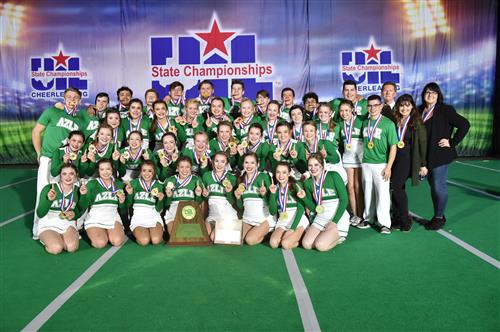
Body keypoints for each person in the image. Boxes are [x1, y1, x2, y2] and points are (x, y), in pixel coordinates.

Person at [418, 82, 470, 230]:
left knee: (438, 186)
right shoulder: (419, 110)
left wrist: (452, 142)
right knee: (432, 186)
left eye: (434, 93)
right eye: (428, 92)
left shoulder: (445, 110)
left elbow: (464, 124)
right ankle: (438, 214)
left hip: (440, 154)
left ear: (438, 95)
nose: (430, 95)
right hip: (425, 155)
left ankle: (439, 218)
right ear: (423, 94)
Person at [32, 87, 82, 239]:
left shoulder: (79, 119)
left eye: (75, 97)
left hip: (65, 161)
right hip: (48, 158)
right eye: (69, 97)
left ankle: (66, 225)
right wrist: (39, 153)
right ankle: (38, 229)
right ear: (64, 98)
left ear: (79, 101)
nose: (72, 100)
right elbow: (36, 131)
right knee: (43, 192)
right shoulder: (52, 112)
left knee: (66, 191)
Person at [357, 95, 398, 234]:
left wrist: (389, 167)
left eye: (375, 105)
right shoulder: (365, 123)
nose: (372, 108)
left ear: (381, 106)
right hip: (366, 163)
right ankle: (368, 218)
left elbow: (393, 146)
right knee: (368, 192)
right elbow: (363, 144)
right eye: (369, 105)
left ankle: (384, 224)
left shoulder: (388, 124)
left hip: (381, 164)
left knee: (382, 195)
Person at [391, 94, 427, 231]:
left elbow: (423, 143)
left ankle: (406, 220)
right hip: (395, 157)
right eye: (402, 105)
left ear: (412, 106)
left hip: (407, 158)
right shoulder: (396, 120)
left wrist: (423, 164)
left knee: (397, 187)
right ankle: (397, 218)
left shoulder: (416, 122)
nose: (404, 108)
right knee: (396, 188)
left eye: (407, 105)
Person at [301, 154, 349, 251]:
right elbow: (313, 207)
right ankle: (326, 235)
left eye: (316, 165)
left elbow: (344, 200)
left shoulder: (334, 175)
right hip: (321, 216)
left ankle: (339, 237)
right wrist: (304, 198)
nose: (313, 168)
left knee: (320, 246)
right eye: (310, 165)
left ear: (322, 165)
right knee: (306, 244)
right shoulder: (308, 183)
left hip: (336, 217)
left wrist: (334, 222)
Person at [35, 164, 84, 254]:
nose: (68, 177)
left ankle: (60, 237)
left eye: (71, 174)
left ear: (76, 175)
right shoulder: (49, 188)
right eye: (64, 174)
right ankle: (50, 238)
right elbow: (40, 213)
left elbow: (80, 209)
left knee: (71, 248)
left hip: (67, 223)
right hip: (48, 224)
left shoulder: (79, 190)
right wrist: (49, 200)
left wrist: (74, 214)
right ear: (60, 176)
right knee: (56, 248)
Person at [79, 159, 127, 248]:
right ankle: (96, 232)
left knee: (117, 241)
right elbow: (82, 206)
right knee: (100, 243)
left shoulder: (119, 184)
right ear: (98, 171)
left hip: (112, 217)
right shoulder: (92, 184)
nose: (105, 172)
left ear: (112, 169)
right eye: (102, 169)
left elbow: (122, 209)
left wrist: (122, 202)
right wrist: (83, 195)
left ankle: (107, 232)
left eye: (108, 169)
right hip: (96, 218)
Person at [234, 153, 275, 245]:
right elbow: (241, 205)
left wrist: (264, 194)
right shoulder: (241, 179)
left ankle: (268, 233)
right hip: (248, 218)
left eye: (252, 163)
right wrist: (238, 198)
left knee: (250, 240)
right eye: (246, 162)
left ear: (257, 164)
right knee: (238, 239)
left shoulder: (264, 177)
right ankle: (256, 232)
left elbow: (271, 202)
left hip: (263, 219)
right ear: (243, 164)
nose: (249, 166)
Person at [335, 100, 364, 226]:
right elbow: (336, 141)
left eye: (347, 110)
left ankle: (362, 214)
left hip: (360, 157)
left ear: (352, 109)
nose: (344, 113)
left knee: (358, 187)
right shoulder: (339, 125)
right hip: (347, 158)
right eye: (341, 110)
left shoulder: (361, 121)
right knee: (350, 188)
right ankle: (355, 214)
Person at [268, 162, 309, 249]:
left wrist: (292, 229)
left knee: (285, 244)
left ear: (289, 173)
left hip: (298, 222)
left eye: (284, 172)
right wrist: (272, 194)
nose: (281, 175)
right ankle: (294, 238)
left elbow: (301, 209)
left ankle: (301, 235)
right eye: (278, 172)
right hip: (283, 221)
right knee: (273, 243)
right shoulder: (274, 188)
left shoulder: (296, 185)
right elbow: (272, 212)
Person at [125, 161, 166, 245]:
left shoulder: (159, 185)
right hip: (138, 217)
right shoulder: (133, 183)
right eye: (144, 170)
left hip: (154, 216)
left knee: (156, 240)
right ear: (140, 171)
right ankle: (137, 232)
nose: (147, 173)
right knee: (144, 241)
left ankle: (153, 230)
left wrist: (161, 199)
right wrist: (129, 194)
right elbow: (128, 205)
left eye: (150, 171)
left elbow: (159, 209)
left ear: (154, 172)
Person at [202, 152, 238, 241]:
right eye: (216, 161)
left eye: (222, 161)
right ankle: (219, 228)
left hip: (226, 214)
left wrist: (229, 192)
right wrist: (205, 195)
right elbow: (206, 198)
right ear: (213, 162)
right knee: (206, 237)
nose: (219, 164)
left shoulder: (231, 178)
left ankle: (231, 226)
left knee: (213, 238)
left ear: (226, 163)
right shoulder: (206, 176)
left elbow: (233, 201)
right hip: (212, 215)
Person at [163, 157, 204, 234]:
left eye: (187, 167)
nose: (184, 170)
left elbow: (200, 203)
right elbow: (166, 204)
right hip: (173, 211)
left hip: (189, 211)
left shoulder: (196, 180)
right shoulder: (170, 180)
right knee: (174, 235)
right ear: (177, 168)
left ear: (191, 168)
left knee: (188, 235)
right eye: (182, 167)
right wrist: (168, 196)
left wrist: (198, 196)